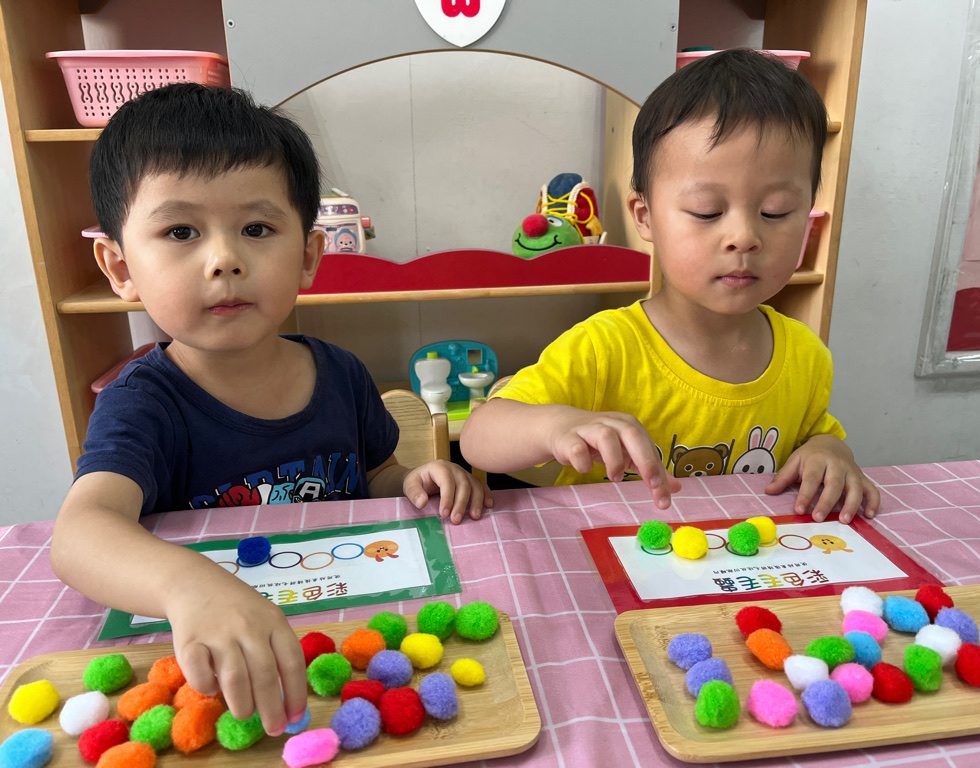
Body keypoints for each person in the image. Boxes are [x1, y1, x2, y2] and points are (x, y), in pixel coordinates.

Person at [50, 83, 491, 737]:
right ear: (120, 267)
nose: (225, 260)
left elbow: (375, 476)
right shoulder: (142, 402)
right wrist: (188, 587)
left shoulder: (342, 373)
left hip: (346, 643)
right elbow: (80, 535)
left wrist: (413, 480)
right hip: (212, 671)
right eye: (180, 231)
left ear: (308, 256)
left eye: (257, 229)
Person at [462, 49, 879, 522]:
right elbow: (479, 437)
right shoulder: (603, 349)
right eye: (707, 211)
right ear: (646, 217)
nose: (744, 236)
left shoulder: (806, 355)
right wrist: (558, 425)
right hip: (616, 556)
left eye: (776, 211)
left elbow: (817, 435)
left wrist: (831, 452)